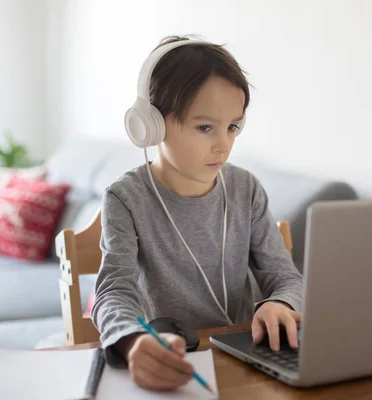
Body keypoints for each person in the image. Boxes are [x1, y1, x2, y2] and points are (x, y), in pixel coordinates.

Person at [90, 35, 304, 392]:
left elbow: (285, 276)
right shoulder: (125, 198)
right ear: (151, 125)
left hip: (245, 357)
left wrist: (279, 303)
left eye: (233, 126)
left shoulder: (245, 189)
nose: (224, 144)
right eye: (205, 127)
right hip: (173, 358)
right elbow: (113, 292)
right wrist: (132, 342)